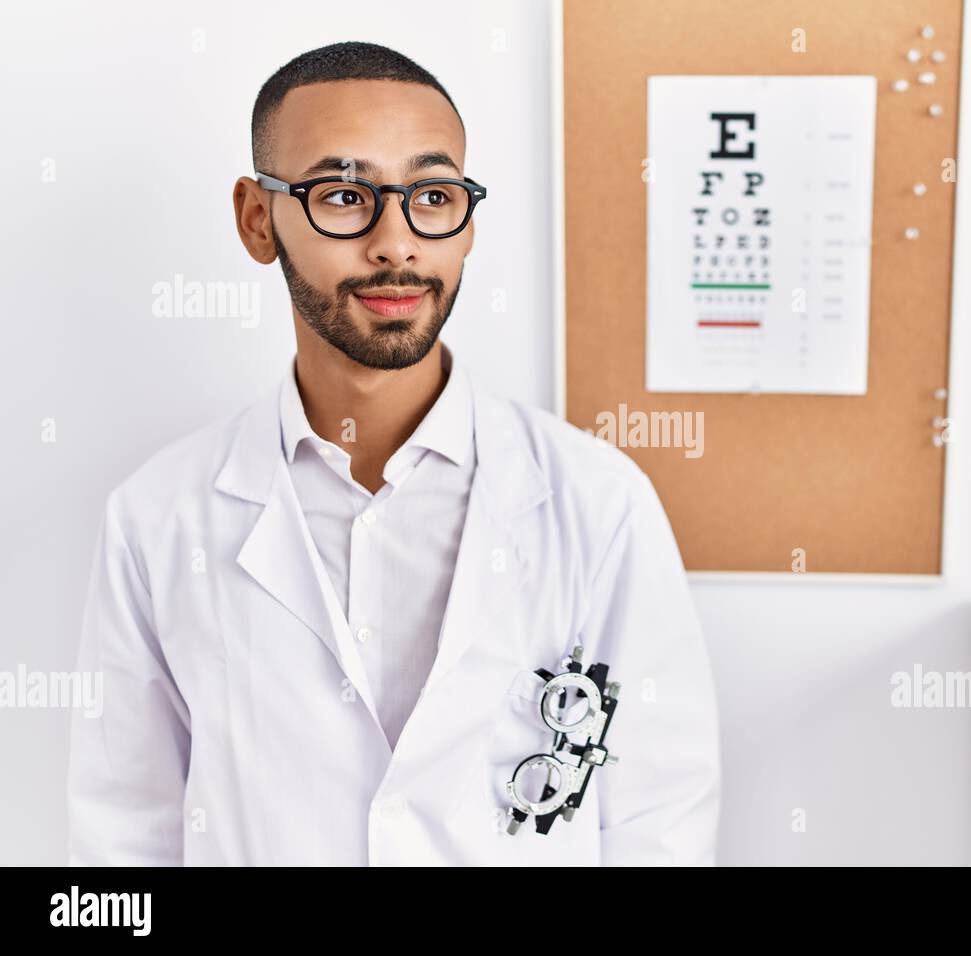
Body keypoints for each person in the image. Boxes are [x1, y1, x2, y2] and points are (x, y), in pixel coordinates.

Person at [67, 41, 721, 865]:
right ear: (257, 219)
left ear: (468, 224)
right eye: (345, 196)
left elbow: (660, 821)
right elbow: (124, 832)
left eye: (432, 195)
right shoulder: (158, 519)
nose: (396, 243)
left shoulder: (597, 502)